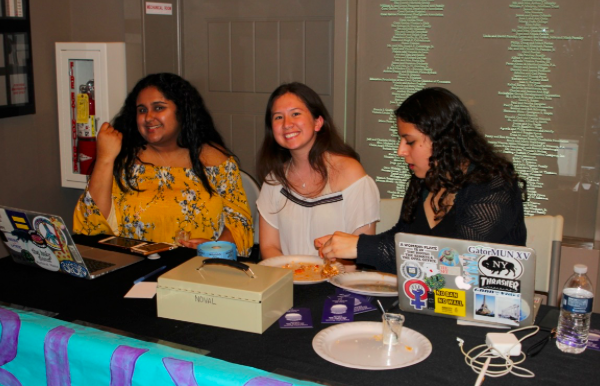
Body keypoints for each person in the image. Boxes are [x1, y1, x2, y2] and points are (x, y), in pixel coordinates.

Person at [315, 87, 527, 273]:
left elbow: (460, 260)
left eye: (410, 141)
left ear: (444, 140)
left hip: (483, 313)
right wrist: (349, 247)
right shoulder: (425, 180)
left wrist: (360, 247)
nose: (401, 151)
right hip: (428, 303)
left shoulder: (495, 187)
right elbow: (402, 238)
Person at [73, 73, 254, 256]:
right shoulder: (122, 159)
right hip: (133, 269)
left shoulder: (216, 160)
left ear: (182, 111)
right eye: (142, 110)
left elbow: (240, 226)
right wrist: (105, 159)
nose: (148, 117)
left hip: (198, 270)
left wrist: (213, 248)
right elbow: (90, 225)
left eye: (159, 108)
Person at [256, 82, 380, 261]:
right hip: (288, 281)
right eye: (278, 117)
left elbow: (361, 252)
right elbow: (269, 247)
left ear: (318, 122)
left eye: (295, 114)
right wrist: (294, 276)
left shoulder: (351, 174)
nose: (287, 124)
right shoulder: (274, 180)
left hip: (339, 283)